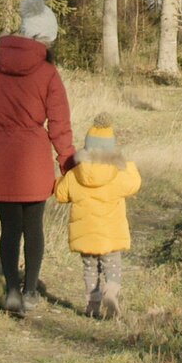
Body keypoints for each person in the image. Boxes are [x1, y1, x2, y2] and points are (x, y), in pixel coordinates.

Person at [0, 0, 74, 317]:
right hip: (34, 160)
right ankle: (31, 291)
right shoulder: (49, 73)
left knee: (9, 229)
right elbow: (60, 124)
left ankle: (11, 291)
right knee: (34, 228)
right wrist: (67, 161)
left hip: (1, 158)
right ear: (45, 37)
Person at [51, 111, 142, 319]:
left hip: (85, 234)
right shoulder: (119, 174)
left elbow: (61, 193)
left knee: (90, 268)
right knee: (113, 265)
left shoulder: (75, 174)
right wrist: (127, 164)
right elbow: (134, 184)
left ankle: (93, 304)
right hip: (111, 234)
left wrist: (60, 177)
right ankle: (111, 291)